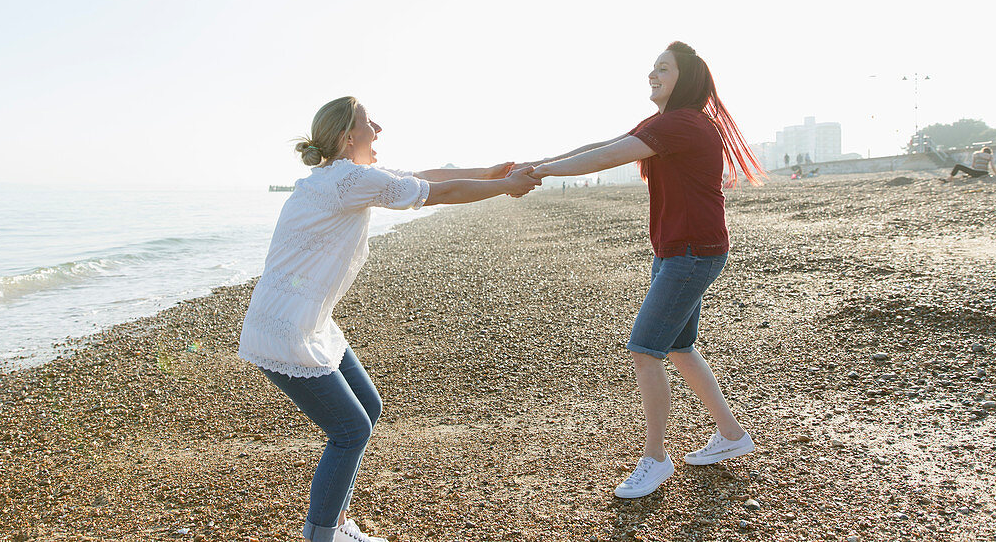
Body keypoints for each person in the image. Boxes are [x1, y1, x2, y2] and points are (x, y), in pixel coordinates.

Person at [239, 96, 540, 542]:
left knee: (368, 409)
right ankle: (323, 534)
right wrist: (505, 186)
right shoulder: (347, 180)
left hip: (310, 319)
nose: (377, 128)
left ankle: (335, 525)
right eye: (368, 122)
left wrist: (491, 172)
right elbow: (443, 193)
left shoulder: (344, 177)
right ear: (347, 137)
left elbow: (426, 177)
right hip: (285, 326)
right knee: (350, 428)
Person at [525, 41, 765, 499]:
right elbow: (605, 146)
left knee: (645, 348)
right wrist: (539, 165)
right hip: (683, 250)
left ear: (686, 79)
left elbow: (603, 159)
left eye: (663, 69)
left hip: (691, 252)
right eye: (652, 68)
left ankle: (655, 459)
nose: (652, 75)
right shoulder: (667, 123)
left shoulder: (682, 123)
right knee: (677, 347)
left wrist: (543, 173)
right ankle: (732, 436)